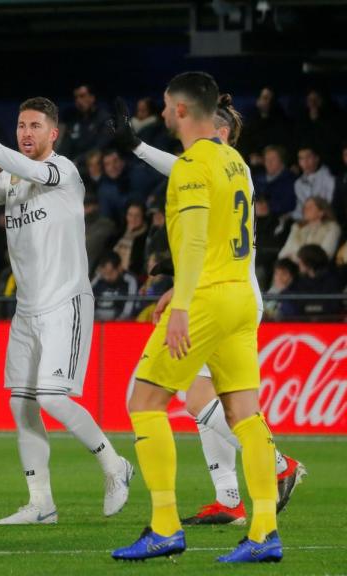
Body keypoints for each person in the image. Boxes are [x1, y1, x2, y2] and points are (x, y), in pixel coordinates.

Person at [111, 88, 306, 533]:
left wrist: (137, 147)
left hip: (217, 294)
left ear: (221, 133)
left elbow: (187, 188)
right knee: (215, 403)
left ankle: (277, 465)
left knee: (177, 400)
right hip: (235, 291)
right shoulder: (236, 169)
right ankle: (231, 498)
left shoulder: (211, 162)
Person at [0, 96, 133, 526]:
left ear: (53, 134)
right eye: (20, 125)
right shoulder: (11, 180)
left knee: (52, 396)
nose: (26, 133)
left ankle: (114, 464)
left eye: (35, 126)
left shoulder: (64, 172)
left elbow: (31, 168)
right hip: (27, 311)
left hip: (64, 303)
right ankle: (41, 504)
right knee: (21, 405)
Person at [91, 251, 138, 320]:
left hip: (117, 325)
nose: (107, 278)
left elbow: (129, 308)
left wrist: (117, 323)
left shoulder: (129, 281)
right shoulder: (97, 279)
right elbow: (86, 299)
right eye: (104, 274)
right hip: (95, 323)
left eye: (110, 273)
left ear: (119, 268)